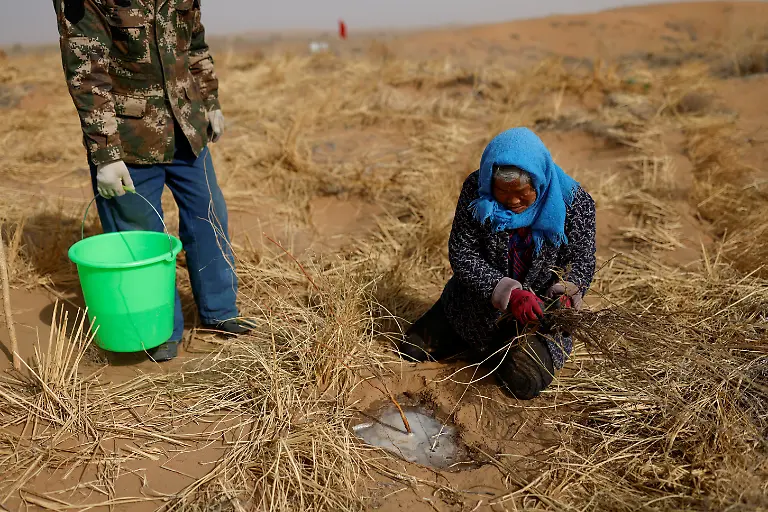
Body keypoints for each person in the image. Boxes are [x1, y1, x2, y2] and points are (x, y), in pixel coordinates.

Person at [53, 0, 252, 362]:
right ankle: (159, 331)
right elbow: (86, 72)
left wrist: (210, 100)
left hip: (186, 127)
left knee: (209, 215)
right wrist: (104, 153)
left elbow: (194, 43)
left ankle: (220, 311)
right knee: (141, 239)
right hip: (127, 140)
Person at [401, 127, 596, 400]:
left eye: (522, 192)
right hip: (473, 306)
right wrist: (508, 292)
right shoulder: (476, 192)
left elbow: (582, 259)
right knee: (411, 350)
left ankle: (507, 351)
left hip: (539, 320)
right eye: (503, 192)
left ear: (539, 181)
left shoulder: (575, 203)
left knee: (523, 383)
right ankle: (478, 345)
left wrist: (564, 294)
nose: (513, 201)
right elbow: (462, 253)